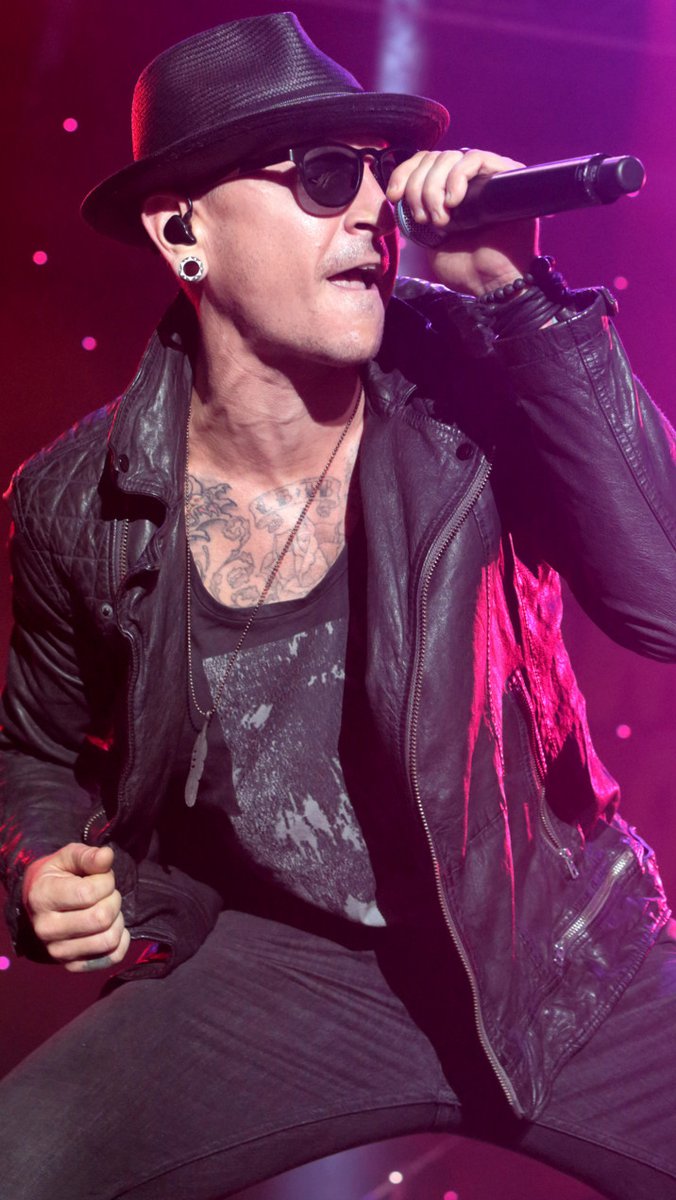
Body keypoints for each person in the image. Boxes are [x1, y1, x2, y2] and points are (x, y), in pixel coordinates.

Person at [0, 11, 675, 1200]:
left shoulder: (477, 374)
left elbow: (663, 601)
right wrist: (35, 863)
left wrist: (519, 301)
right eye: (322, 175)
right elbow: (34, 749)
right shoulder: (73, 502)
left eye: (376, 171)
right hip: (291, 973)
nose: (372, 207)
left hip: (565, 952)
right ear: (183, 230)